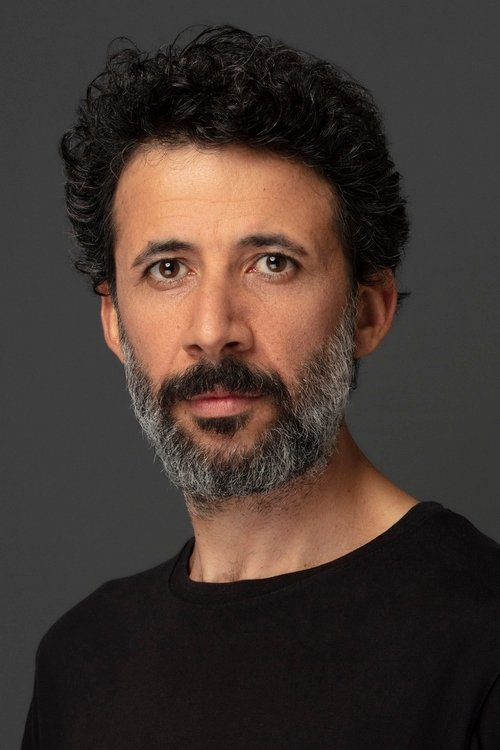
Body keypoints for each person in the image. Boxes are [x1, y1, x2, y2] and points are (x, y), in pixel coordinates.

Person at [22, 26, 500, 749]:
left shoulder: (484, 638)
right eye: (168, 269)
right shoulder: (80, 659)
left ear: (368, 311)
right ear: (115, 322)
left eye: (272, 263)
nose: (213, 330)